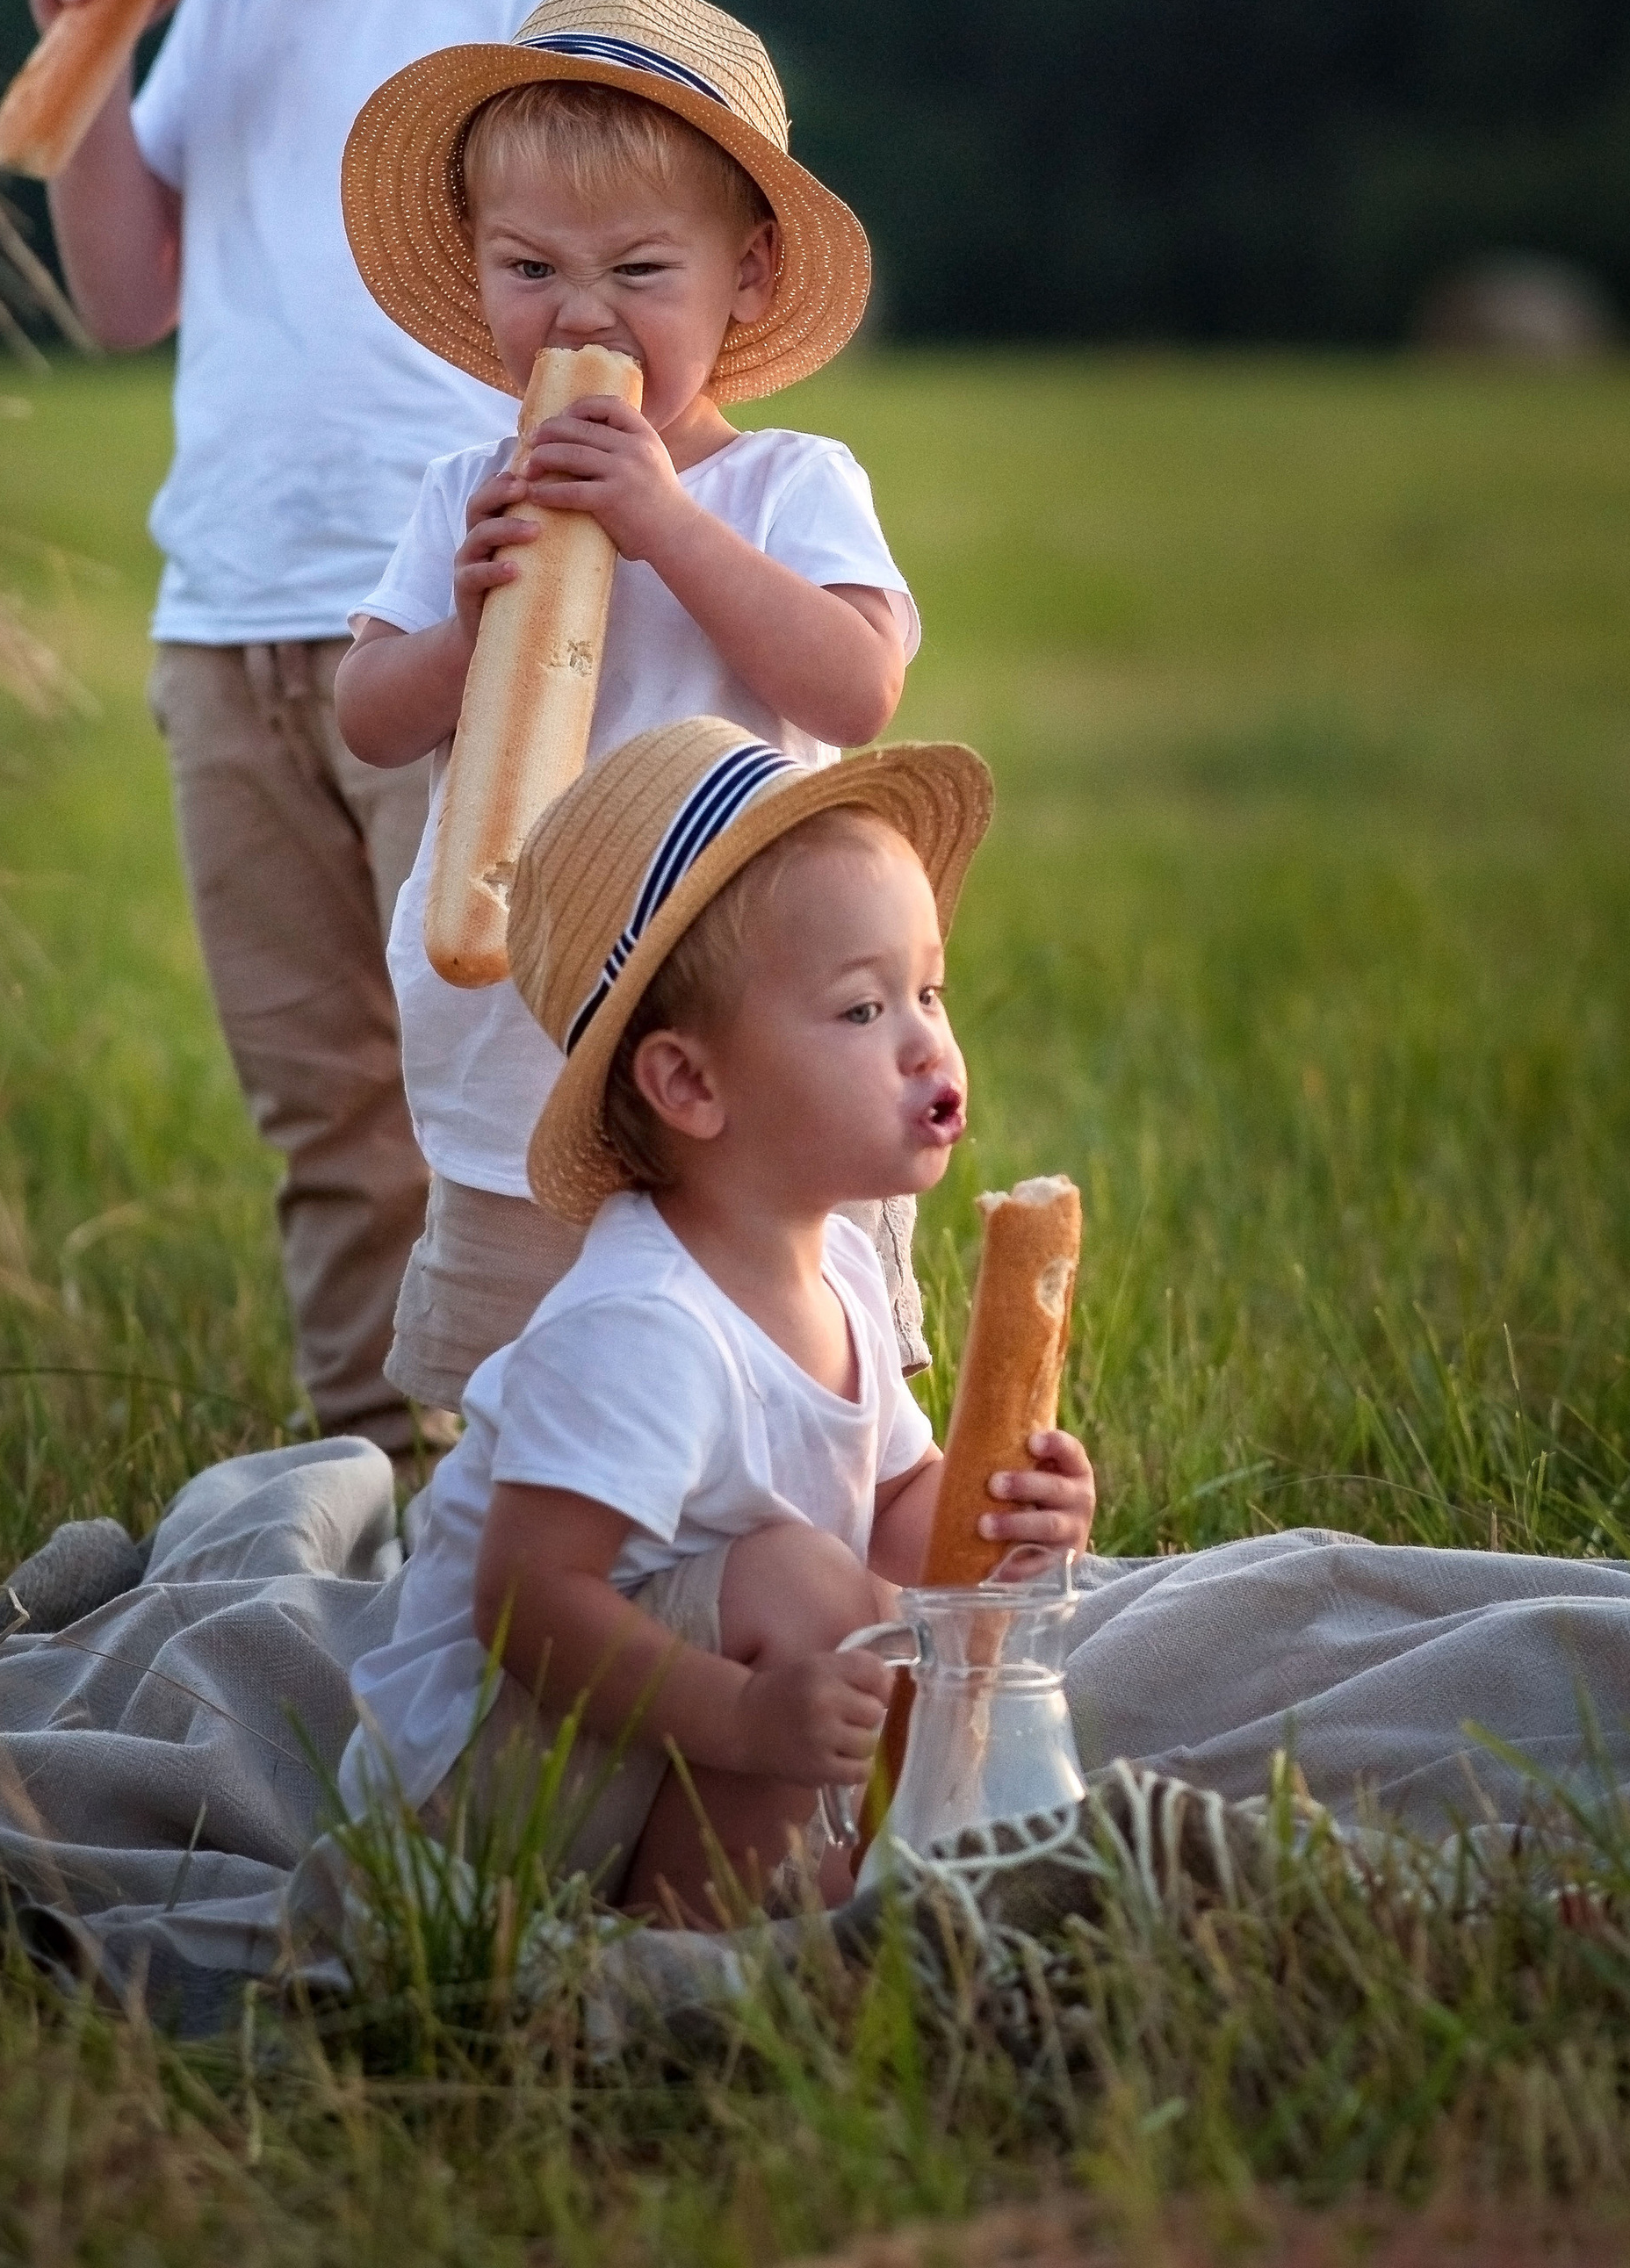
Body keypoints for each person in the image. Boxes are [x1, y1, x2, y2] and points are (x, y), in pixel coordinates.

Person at [27, 0, 629, 1463]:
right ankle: (376, 1485)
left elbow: (625, 273)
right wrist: (98, 60)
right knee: (317, 1107)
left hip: (458, 610)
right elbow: (122, 296)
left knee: (488, 1078)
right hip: (226, 626)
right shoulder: (216, 8)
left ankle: (555, 1474)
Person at [340, 717, 1099, 1920]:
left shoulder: (839, 1267)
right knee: (807, 1591)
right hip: (488, 1775)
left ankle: (863, 1869)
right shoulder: (641, 1327)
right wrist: (741, 1717)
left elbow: (899, 1511)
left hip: (656, 1733)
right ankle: (718, 1939)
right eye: (860, 1011)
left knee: (878, 1614)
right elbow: (526, 1604)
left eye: (929, 990)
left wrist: (1007, 1515)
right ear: (691, 1084)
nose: (924, 1042)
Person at [336, 0, 941, 1410]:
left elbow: (856, 690)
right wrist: (465, 624)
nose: (576, 316)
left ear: (749, 280)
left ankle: (800, 1572)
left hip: (757, 1037)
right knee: (521, 1403)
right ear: (477, 269)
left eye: (639, 273)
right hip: (518, 1044)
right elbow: (367, 713)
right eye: (529, 269)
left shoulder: (789, 486)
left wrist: (669, 523)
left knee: (790, 1392)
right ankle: (539, 1579)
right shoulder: (461, 494)